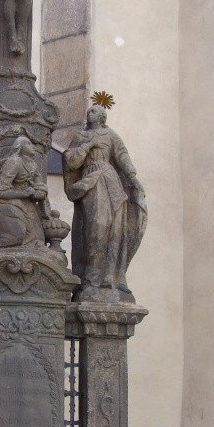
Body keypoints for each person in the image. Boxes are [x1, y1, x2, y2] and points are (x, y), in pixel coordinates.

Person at [62, 105, 147, 302]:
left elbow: (122, 156)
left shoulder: (111, 135)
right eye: (89, 110)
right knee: (95, 228)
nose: (89, 113)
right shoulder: (80, 137)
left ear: (102, 116)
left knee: (114, 229)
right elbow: (71, 162)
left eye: (94, 111)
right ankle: (90, 278)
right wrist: (86, 147)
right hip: (91, 182)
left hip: (111, 182)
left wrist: (133, 178)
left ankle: (110, 278)